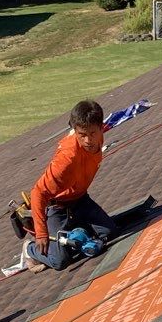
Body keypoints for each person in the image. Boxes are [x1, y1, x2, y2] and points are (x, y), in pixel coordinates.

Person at [23, 98, 117, 271]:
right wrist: (42, 233)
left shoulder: (98, 139)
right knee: (60, 261)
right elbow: (37, 193)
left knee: (109, 233)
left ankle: (74, 231)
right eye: (82, 135)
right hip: (57, 207)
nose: (88, 140)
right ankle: (29, 251)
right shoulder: (67, 159)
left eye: (93, 133)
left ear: (101, 128)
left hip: (80, 199)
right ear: (75, 131)